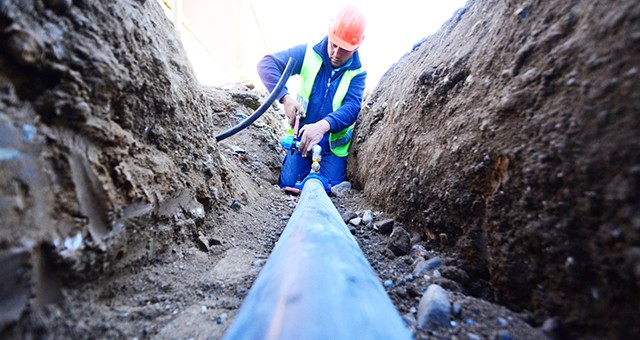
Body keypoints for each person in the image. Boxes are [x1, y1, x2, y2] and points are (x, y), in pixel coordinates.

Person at [257, 5, 367, 192]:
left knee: (328, 190)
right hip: (301, 141)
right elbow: (267, 64)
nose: (336, 54)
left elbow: (352, 108)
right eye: (334, 45)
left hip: (331, 149)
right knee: (289, 186)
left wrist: (323, 126)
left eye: (345, 50)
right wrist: (285, 98)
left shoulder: (357, 73)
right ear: (329, 33)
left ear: (358, 44)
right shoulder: (308, 54)